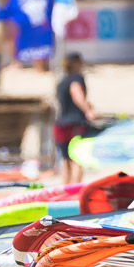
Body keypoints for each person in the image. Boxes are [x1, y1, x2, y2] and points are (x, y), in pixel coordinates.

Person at [53, 53, 96, 185]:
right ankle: (75, 190)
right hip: (75, 125)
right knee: (78, 158)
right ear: (76, 63)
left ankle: (65, 189)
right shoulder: (76, 78)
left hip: (60, 125)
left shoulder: (61, 82)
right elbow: (76, 92)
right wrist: (87, 110)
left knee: (65, 160)